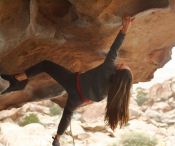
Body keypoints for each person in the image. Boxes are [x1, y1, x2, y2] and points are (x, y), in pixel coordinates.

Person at [0, 15, 134, 146]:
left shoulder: (108, 68)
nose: (122, 63)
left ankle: (16, 80)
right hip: (78, 98)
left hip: (72, 82)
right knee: (68, 114)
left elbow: (114, 50)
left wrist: (124, 29)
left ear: (119, 73)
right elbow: (92, 98)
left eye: (123, 66)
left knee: (46, 65)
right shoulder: (108, 92)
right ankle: (57, 139)